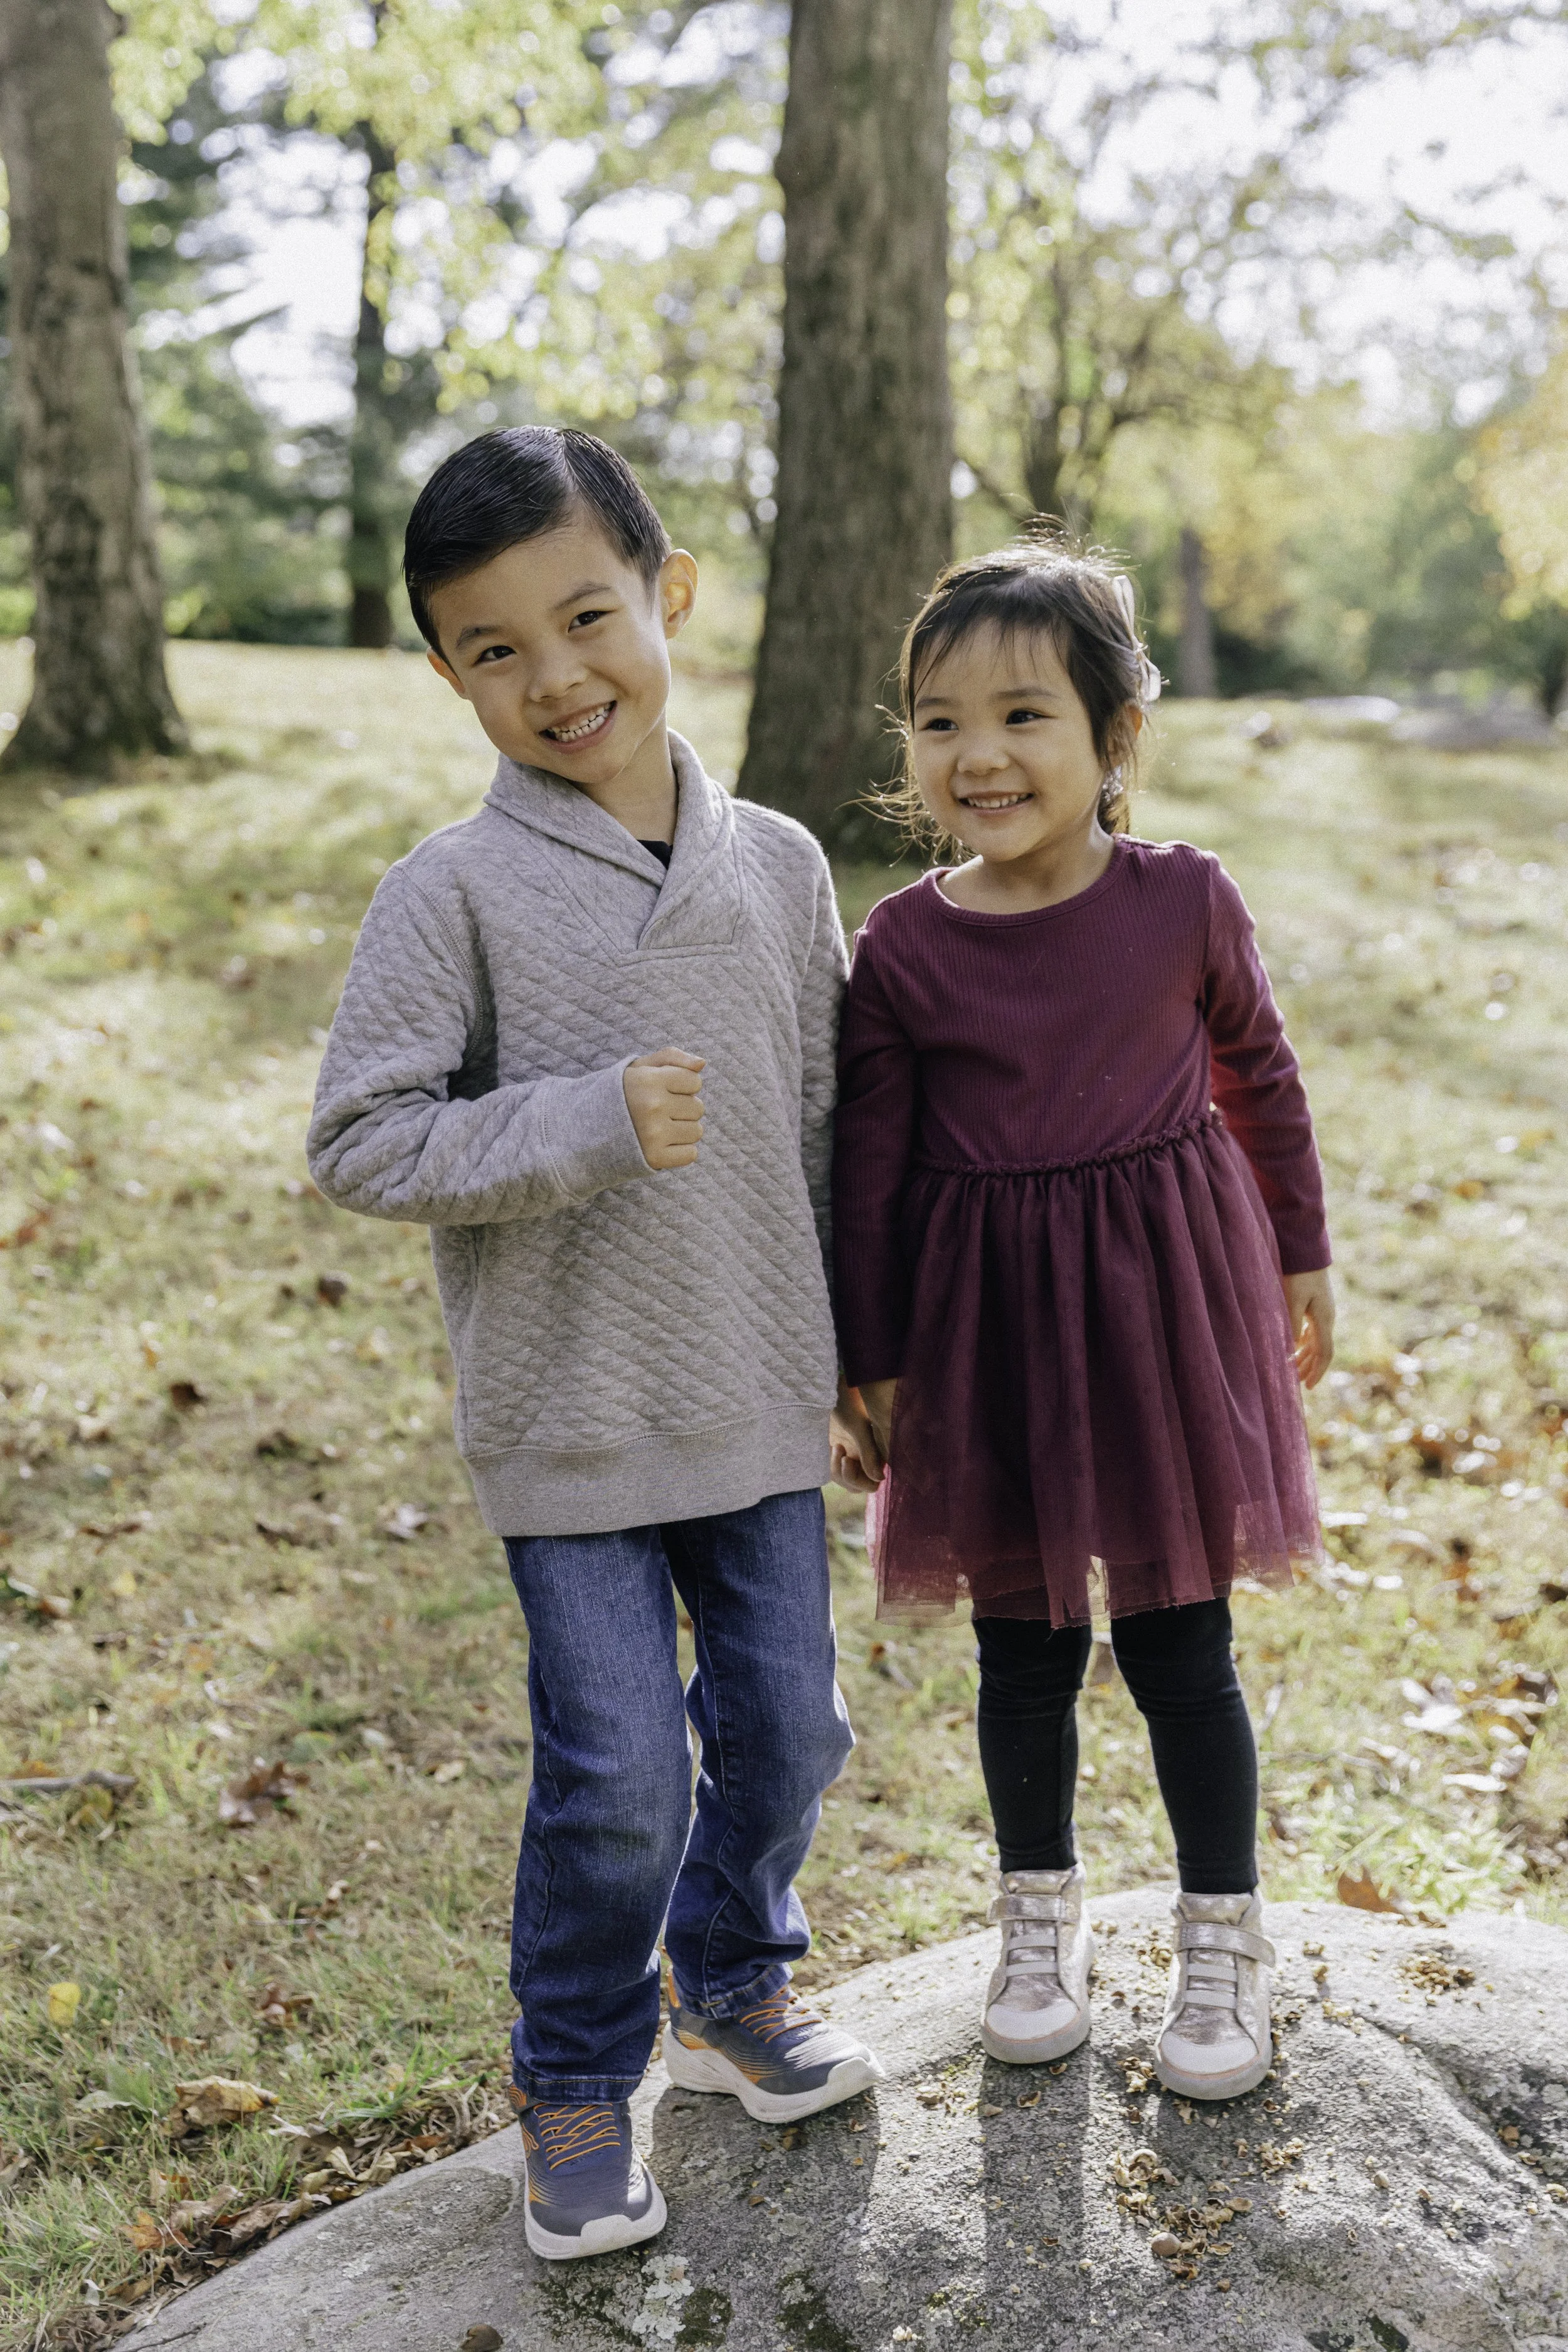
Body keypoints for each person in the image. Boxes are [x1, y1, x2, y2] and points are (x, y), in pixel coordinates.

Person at [307, 426, 882, 2263]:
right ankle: (573, 2062)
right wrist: (568, 1119)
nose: (555, 676)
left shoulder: (783, 867)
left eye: (585, 617)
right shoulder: (450, 890)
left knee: (790, 1726)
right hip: (570, 1420)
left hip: (760, 1386)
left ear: (669, 595)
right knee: (619, 1768)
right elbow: (358, 1139)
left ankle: (732, 1974)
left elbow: (825, 1132)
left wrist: (861, 1352)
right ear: (445, 672)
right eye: (494, 648)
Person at [830, 537, 1333, 2102]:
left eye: (1022, 714)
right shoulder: (904, 948)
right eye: (938, 720)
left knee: (1182, 1642)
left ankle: (1217, 1932)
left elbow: (1258, 1072)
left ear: (1116, 737)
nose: (976, 753)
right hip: (989, 1332)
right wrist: (869, 1357)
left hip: (1163, 1304)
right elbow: (872, 1167)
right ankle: (1036, 1918)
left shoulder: (1181, 899)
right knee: (1022, 1647)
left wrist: (1300, 1252)